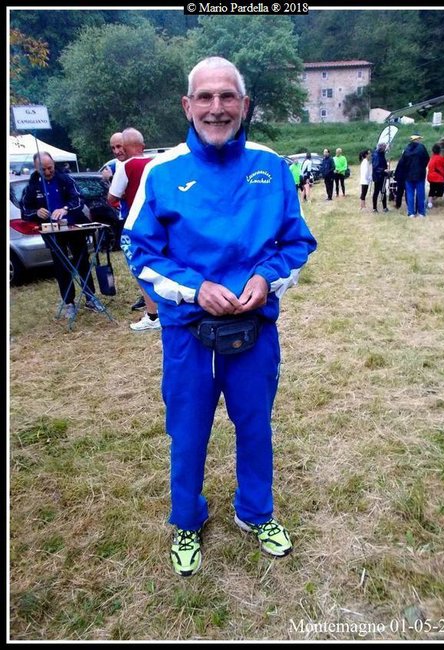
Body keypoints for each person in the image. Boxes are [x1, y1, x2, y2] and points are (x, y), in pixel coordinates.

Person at [121, 56, 317, 577]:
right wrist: (193, 288)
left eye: (227, 96)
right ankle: (187, 519)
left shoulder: (271, 166)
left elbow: (297, 242)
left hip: (255, 331)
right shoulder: (162, 172)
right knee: (187, 432)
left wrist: (266, 278)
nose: (216, 107)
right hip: (189, 336)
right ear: (187, 105)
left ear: (244, 104)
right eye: (205, 97)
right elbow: (138, 249)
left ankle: (255, 512)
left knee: (255, 426)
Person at [21, 152, 103, 318]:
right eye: (43, 169)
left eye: (50, 168)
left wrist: (65, 209)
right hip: (51, 232)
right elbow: (25, 211)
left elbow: (78, 200)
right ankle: (68, 302)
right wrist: (37, 212)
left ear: (54, 164)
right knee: (61, 265)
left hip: (73, 227)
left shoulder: (65, 179)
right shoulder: (32, 186)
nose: (48, 172)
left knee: (82, 261)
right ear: (36, 168)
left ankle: (90, 297)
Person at [108, 127, 160, 331]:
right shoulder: (156, 162)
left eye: (120, 146)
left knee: (141, 268)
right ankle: (163, 310)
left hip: (137, 225)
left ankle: (153, 315)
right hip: (159, 223)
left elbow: (112, 197)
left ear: (126, 147)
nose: (117, 151)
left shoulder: (125, 166)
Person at [398, 133, 430, 218]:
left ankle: (411, 212)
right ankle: (421, 212)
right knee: (420, 194)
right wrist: (422, 167)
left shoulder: (406, 149)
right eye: (419, 139)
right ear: (417, 139)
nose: (420, 140)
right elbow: (427, 158)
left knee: (410, 194)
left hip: (408, 175)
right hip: (420, 174)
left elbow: (402, 162)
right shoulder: (421, 148)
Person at [371, 142, 389, 213]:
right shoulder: (376, 155)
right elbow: (375, 167)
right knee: (377, 192)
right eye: (385, 147)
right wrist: (383, 170)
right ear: (382, 148)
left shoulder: (381, 154)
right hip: (378, 176)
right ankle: (375, 208)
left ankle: (384, 207)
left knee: (383, 191)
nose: (385, 149)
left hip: (381, 175)